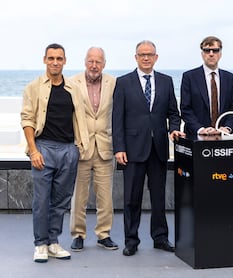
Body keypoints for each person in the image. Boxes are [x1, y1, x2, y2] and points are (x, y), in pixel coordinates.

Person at [112, 40, 185, 256]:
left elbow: (173, 112)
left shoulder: (166, 81)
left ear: (156, 57)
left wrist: (173, 129)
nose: (146, 58)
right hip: (132, 149)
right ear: (135, 57)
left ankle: (160, 238)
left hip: (158, 148)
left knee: (159, 198)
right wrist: (119, 148)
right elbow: (117, 119)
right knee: (131, 198)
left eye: (150, 54)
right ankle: (131, 241)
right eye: (142, 54)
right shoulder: (123, 82)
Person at [20, 43, 89, 263]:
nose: (55, 62)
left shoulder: (74, 89)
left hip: (69, 150)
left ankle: (53, 242)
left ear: (65, 61)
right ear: (44, 60)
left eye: (59, 58)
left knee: (61, 201)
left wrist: (78, 148)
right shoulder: (33, 87)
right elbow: (27, 119)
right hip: (44, 148)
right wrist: (33, 150)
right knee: (42, 200)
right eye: (51, 58)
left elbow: (79, 119)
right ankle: (40, 244)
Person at [69, 47, 118, 252]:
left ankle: (104, 234)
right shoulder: (72, 83)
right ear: (85, 62)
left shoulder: (114, 83)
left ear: (104, 64)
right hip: (81, 147)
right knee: (78, 196)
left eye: (98, 61)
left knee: (105, 196)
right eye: (90, 61)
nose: (94, 65)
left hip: (105, 147)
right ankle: (78, 234)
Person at [180, 35, 233, 136]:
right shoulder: (189, 77)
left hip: (223, 136)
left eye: (215, 50)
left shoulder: (229, 78)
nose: (211, 54)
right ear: (202, 54)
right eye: (207, 50)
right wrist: (200, 129)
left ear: (220, 54)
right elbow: (185, 108)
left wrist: (227, 128)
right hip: (196, 136)